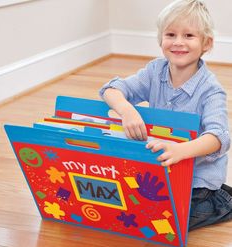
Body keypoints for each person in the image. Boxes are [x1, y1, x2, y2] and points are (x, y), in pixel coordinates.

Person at [99, 0, 232, 230]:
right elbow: (111, 89)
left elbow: (219, 137)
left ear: (206, 44)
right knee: (124, 204)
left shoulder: (211, 90)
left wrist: (181, 150)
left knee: (165, 220)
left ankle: (223, 201)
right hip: (160, 172)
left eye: (189, 35)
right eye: (171, 34)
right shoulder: (154, 71)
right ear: (161, 39)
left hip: (195, 181)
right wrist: (127, 110)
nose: (178, 42)